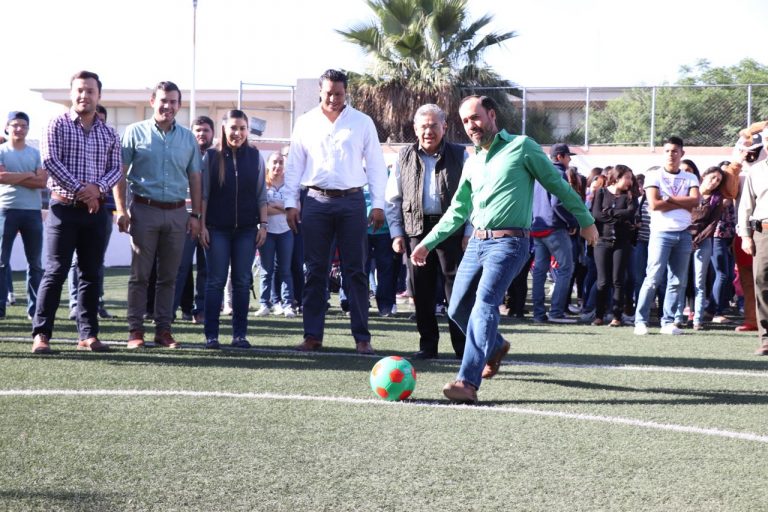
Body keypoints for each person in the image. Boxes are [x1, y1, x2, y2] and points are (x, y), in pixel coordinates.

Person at [411, 95, 597, 404]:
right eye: (466, 121)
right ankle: (495, 345)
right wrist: (427, 243)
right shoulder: (473, 162)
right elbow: (457, 210)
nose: (471, 125)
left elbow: (557, 184)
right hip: (477, 243)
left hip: (511, 242)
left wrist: (586, 219)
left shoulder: (522, 146)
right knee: (457, 307)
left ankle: (466, 382)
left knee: (485, 304)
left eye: (476, 117)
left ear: (492, 115)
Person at [284, 69, 387, 355]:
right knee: (315, 271)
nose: (333, 98)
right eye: (328, 93)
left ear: (346, 93)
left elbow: (377, 165)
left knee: (356, 271)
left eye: (339, 93)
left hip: (353, 203)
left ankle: (362, 338)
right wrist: (291, 203)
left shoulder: (362, 122)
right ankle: (312, 336)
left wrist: (378, 204)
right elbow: (293, 166)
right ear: (320, 91)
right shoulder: (305, 123)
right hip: (315, 202)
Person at [31, 70, 123, 354]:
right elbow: (50, 160)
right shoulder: (56, 124)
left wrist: (97, 188)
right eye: (80, 90)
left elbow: (117, 168)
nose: (85, 96)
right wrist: (83, 189)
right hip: (63, 208)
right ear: (72, 94)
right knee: (56, 271)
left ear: (99, 95)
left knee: (91, 273)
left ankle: (88, 334)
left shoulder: (109, 132)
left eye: (90, 91)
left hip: (95, 212)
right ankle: (42, 335)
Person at [117, 81, 203, 349]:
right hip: (144, 211)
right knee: (140, 275)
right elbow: (119, 174)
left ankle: (163, 331)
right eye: (164, 100)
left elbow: (195, 178)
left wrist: (196, 216)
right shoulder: (134, 132)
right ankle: (135, 331)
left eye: (174, 102)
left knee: (170, 276)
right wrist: (120, 209)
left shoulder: (188, 137)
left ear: (179, 105)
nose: (168, 106)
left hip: (178, 213)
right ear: (153, 100)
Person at [384, 103, 469, 360]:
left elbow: (473, 196)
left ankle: (462, 348)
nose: (428, 131)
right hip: (416, 231)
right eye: (424, 126)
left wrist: (468, 230)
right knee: (421, 291)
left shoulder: (461, 155)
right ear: (415, 129)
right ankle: (428, 346)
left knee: (457, 291)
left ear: (444, 127)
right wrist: (397, 233)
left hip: (452, 231)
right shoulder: (403, 156)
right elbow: (392, 198)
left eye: (434, 125)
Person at [198, 110, 267, 349]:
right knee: (215, 281)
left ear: (247, 130)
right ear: (224, 129)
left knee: (242, 281)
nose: (237, 133)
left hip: (247, 230)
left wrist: (263, 225)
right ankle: (212, 336)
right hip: (216, 229)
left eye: (242, 128)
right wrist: (202, 225)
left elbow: (261, 195)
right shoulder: (211, 157)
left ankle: (239, 335)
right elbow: (204, 195)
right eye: (233, 128)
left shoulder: (256, 157)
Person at [633, 136, 700, 336]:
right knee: (653, 277)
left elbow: (695, 201)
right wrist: (683, 201)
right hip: (661, 233)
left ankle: (668, 321)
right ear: (664, 152)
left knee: (678, 281)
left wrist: (669, 199)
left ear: (682, 153)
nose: (671, 154)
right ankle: (641, 320)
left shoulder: (690, 178)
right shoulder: (654, 175)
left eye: (675, 151)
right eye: (668, 150)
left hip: (684, 233)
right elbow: (654, 204)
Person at [67, 104, 116, 321]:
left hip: (103, 211)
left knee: (96, 261)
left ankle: (96, 302)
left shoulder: (110, 141)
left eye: (102, 120)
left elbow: (116, 174)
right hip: (74, 207)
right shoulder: (75, 139)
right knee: (74, 260)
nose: (99, 123)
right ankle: (75, 303)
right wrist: (87, 193)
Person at [0, 111, 47, 320]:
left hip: (32, 212)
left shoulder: (35, 153)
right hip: (6, 209)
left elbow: (42, 182)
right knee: (1, 261)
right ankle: (1, 308)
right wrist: (29, 175)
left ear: (28, 129)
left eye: (23, 125)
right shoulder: (1, 151)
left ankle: (34, 308)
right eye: (15, 125)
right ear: (7, 127)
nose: (19, 129)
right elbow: (1, 177)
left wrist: (14, 177)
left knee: (35, 263)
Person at [530, 143, 580, 324]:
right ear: (559, 157)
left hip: (537, 227)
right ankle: (556, 312)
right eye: (568, 156)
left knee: (539, 272)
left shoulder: (538, 174)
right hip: (554, 228)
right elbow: (557, 203)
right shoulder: (559, 174)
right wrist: (572, 221)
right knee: (566, 269)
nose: (569, 159)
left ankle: (538, 314)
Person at [171, 115, 214, 324]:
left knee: (207, 269)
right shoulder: (183, 153)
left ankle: (201, 310)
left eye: (206, 130)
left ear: (213, 133)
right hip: (185, 219)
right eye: (197, 130)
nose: (201, 134)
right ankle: (168, 312)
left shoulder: (217, 157)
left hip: (211, 223)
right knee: (179, 267)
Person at [590, 164, 637, 326]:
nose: (630, 181)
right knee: (603, 281)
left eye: (631, 178)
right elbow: (596, 214)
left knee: (618, 280)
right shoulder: (601, 192)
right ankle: (599, 315)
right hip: (602, 241)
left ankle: (617, 316)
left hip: (622, 243)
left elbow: (630, 213)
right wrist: (619, 218)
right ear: (617, 178)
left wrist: (608, 212)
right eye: (627, 177)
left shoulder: (630, 196)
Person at [735, 127, 768, 354]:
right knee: (762, 283)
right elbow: (746, 206)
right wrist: (746, 235)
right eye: (766, 138)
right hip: (763, 232)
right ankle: (766, 340)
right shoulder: (756, 171)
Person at [255, 151, 295, 318]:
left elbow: (293, 209)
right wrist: (282, 206)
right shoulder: (263, 184)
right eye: (274, 162)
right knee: (266, 269)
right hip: (267, 231)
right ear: (268, 164)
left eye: (280, 162)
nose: (277, 166)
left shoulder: (290, 185)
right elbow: (261, 208)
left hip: (286, 231)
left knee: (285, 270)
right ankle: (265, 304)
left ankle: (287, 305)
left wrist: (274, 205)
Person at [686, 166, 726, 330]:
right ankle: (677, 316)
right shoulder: (690, 192)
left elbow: (713, 224)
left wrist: (698, 239)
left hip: (703, 241)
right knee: (681, 279)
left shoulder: (717, 199)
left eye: (718, 180)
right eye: (713, 177)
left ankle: (698, 319)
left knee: (700, 281)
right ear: (704, 176)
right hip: (683, 237)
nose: (715, 182)